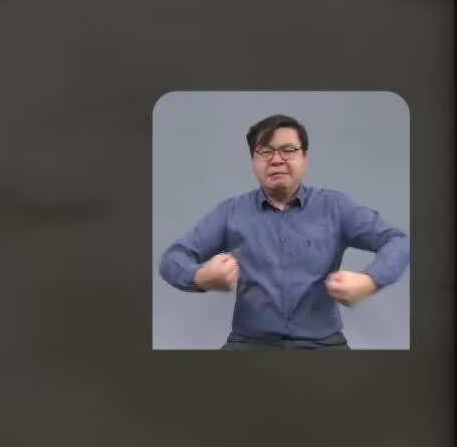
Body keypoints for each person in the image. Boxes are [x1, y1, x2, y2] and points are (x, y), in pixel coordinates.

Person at [158, 113, 410, 349]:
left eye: (288, 150)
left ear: (304, 157)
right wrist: (200, 277)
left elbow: (398, 241)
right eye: (265, 151)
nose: (276, 159)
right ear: (253, 162)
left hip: (322, 344)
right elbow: (173, 258)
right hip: (248, 344)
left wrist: (369, 281)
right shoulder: (231, 212)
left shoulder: (335, 207)